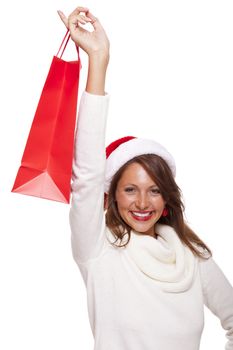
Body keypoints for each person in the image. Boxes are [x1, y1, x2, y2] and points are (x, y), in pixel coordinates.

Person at [58, 6, 233, 350]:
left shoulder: (192, 256)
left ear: (168, 196)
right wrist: (98, 59)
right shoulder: (98, 250)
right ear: (112, 196)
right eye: (130, 189)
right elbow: (87, 178)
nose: (141, 203)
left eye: (154, 190)